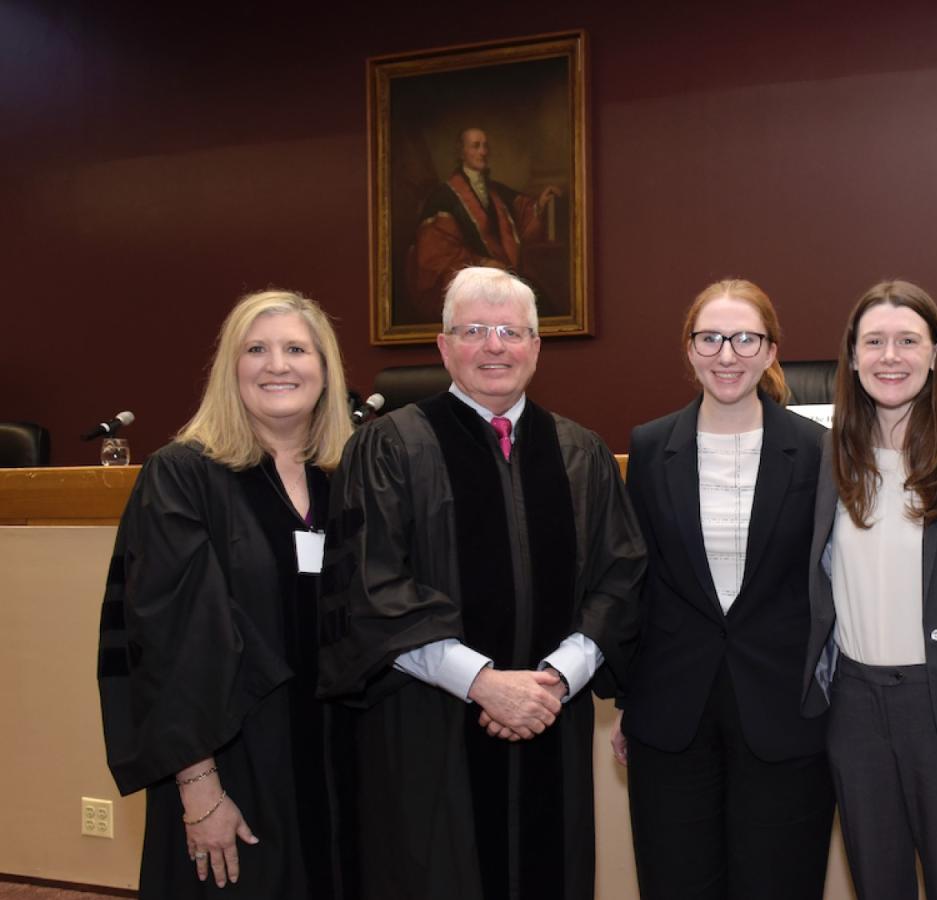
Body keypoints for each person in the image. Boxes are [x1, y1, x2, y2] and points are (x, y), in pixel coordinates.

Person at [317, 266, 645, 900]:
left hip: (554, 717)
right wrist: (483, 683)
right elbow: (371, 585)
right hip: (429, 726)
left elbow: (622, 578)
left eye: (509, 331)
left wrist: (555, 679)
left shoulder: (582, 454)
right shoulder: (387, 448)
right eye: (473, 330)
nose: (494, 345)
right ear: (443, 347)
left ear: (535, 347)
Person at [97, 289, 355, 897]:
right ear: (230, 368)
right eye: (256, 350)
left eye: (297, 348)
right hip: (230, 756)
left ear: (325, 368)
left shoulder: (347, 477)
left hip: (334, 760)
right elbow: (170, 640)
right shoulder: (183, 476)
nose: (278, 365)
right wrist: (199, 787)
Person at [615, 279, 835, 899]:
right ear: (689, 350)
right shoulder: (651, 445)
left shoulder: (819, 450)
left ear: (770, 351)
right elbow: (641, 581)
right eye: (710, 338)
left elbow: (844, 570)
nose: (727, 354)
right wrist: (631, 699)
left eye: (745, 339)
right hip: (672, 713)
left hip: (785, 714)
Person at [801, 280, 937, 900]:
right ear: (853, 356)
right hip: (854, 707)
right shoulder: (827, 456)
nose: (891, 356)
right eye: (875, 342)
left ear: (936, 352)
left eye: (908, 341)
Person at [406, 126, 562, 317]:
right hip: (471, 283)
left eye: (485, 146)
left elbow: (522, 212)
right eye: (476, 146)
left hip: (506, 277)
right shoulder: (442, 198)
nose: (483, 152)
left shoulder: (495, 191)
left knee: (541, 305)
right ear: (461, 152)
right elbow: (436, 254)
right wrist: (481, 262)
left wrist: (540, 204)